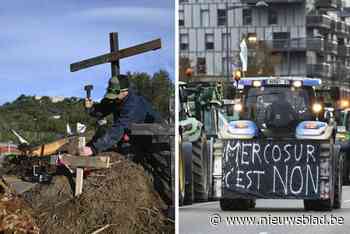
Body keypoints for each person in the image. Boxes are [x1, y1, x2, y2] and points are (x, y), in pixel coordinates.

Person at [80, 74, 160, 156]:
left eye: (115, 95)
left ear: (125, 92)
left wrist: (93, 148)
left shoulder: (133, 104)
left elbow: (119, 128)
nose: (113, 98)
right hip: (131, 131)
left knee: (148, 157)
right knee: (121, 146)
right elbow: (101, 111)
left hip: (153, 132)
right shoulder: (115, 98)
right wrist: (91, 107)